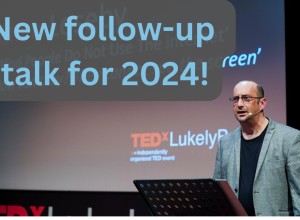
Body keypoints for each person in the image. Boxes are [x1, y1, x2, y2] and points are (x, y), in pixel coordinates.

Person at [213, 80, 300, 216]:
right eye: (235, 99)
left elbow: (298, 193)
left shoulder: (289, 138)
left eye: (246, 98)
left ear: (262, 103)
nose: (240, 104)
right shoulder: (225, 143)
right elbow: (218, 194)